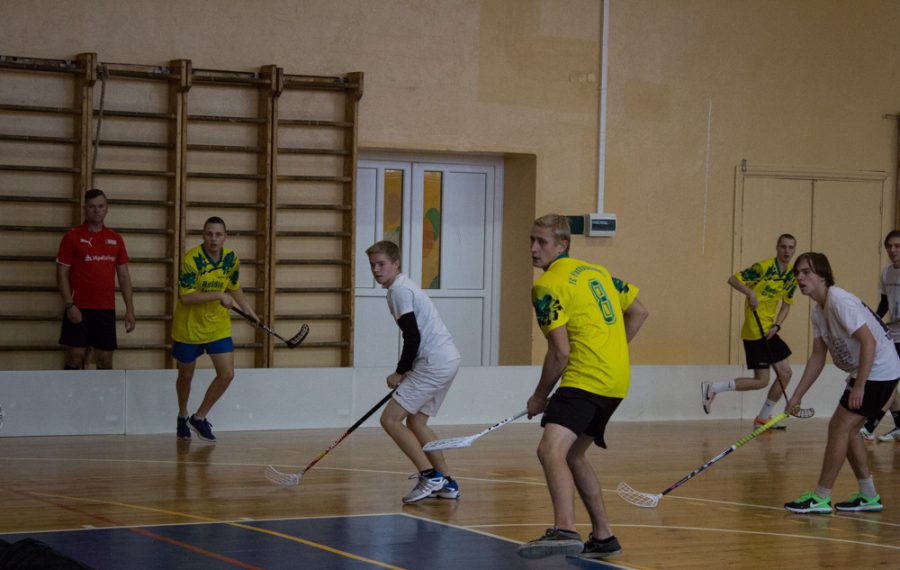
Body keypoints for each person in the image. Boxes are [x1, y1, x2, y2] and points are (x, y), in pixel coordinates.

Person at [517, 214, 648, 560]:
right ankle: (604, 537)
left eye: (541, 242)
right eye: (531, 240)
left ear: (562, 245)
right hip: (616, 381)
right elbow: (639, 312)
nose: (533, 248)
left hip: (585, 379)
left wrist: (540, 396)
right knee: (573, 454)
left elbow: (560, 352)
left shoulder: (547, 286)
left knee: (550, 451)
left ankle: (564, 529)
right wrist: (612, 350)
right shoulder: (598, 272)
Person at [784, 252, 900, 514]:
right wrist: (796, 396)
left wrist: (860, 385)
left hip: (880, 370)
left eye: (806, 272)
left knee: (839, 428)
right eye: (797, 273)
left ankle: (820, 497)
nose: (800, 277)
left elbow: (868, 341)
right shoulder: (818, 312)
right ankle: (869, 496)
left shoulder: (839, 300)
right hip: (868, 371)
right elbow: (817, 356)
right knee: (848, 431)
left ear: (822, 275)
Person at [365, 240, 462, 504]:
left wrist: (400, 371)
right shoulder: (402, 287)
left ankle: (429, 476)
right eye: (372, 265)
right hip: (447, 359)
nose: (376, 270)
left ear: (396, 264)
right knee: (417, 423)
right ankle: (447, 483)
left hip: (433, 361)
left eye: (381, 264)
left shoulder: (399, 290)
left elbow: (412, 336)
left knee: (390, 420)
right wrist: (410, 368)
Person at [171, 217, 258, 443]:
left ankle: (199, 417)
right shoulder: (192, 260)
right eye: (209, 234)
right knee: (185, 375)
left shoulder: (231, 259)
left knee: (227, 374)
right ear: (203, 235)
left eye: (218, 234)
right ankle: (182, 415)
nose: (213, 239)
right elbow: (186, 297)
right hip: (189, 327)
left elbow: (234, 287)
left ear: (225, 237)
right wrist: (218, 295)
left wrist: (249, 312)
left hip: (217, 326)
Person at [702, 234, 797, 428]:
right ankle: (714, 388)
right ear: (777, 247)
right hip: (755, 329)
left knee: (785, 373)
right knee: (762, 380)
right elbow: (733, 279)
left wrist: (777, 325)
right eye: (783, 247)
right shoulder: (763, 268)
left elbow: (786, 305)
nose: (787, 251)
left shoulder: (790, 277)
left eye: (791, 247)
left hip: (770, 330)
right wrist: (750, 293)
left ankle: (762, 417)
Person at [56, 188, 135, 369]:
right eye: (92, 206)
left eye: (100, 206)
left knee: (105, 358)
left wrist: (130, 309)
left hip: (105, 309)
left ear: (107, 208)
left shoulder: (116, 239)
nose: (96, 210)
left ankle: (105, 390)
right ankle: (70, 389)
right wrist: (69, 304)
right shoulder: (72, 237)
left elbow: (124, 276)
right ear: (85, 209)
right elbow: (61, 274)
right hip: (78, 307)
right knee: (75, 356)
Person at [859, 230, 900, 442]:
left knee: (890, 383)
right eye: (889, 246)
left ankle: (869, 426)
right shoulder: (886, 273)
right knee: (890, 381)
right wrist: (873, 321)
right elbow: (884, 303)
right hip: (892, 336)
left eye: (897, 246)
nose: (893, 250)